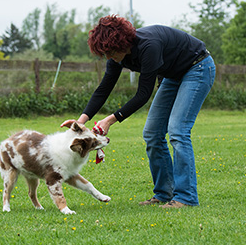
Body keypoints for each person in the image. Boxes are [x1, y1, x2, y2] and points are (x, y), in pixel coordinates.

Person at [61, 15, 216, 208]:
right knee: (152, 133)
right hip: (173, 76)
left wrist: (110, 120)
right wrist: (81, 121)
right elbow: (103, 89)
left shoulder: (148, 47)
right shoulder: (116, 58)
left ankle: (186, 197)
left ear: (122, 42)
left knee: (178, 131)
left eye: (110, 51)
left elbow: (143, 94)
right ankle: (164, 193)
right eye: (104, 53)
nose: (108, 57)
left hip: (197, 68)